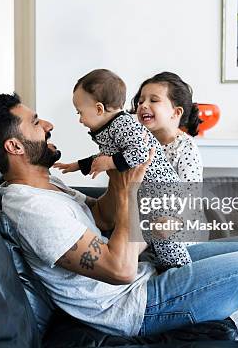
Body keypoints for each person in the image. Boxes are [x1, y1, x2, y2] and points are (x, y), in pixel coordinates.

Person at [0, 92, 238, 347]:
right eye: (36, 122)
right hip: (132, 305)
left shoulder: (47, 184)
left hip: (145, 276)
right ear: (15, 145)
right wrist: (133, 195)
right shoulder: (31, 207)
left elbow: (101, 215)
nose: (48, 125)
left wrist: (121, 169)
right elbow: (120, 270)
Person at [53, 68, 191, 268]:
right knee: (158, 242)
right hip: (149, 195)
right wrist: (77, 165)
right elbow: (106, 155)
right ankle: (167, 268)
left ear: (99, 109)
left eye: (80, 112)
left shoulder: (123, 124)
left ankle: (182, 271)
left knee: (167, 240)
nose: (80, 119)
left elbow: (140, 153)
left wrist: (109, 163)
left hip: (162, 192)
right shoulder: (110, 127)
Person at [132, 72, 203, 183]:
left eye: (154, 100)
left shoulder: (185, 148)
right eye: (141, 102)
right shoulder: (138, 138)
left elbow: (190, 196)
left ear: (176, 112)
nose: (143, 105)